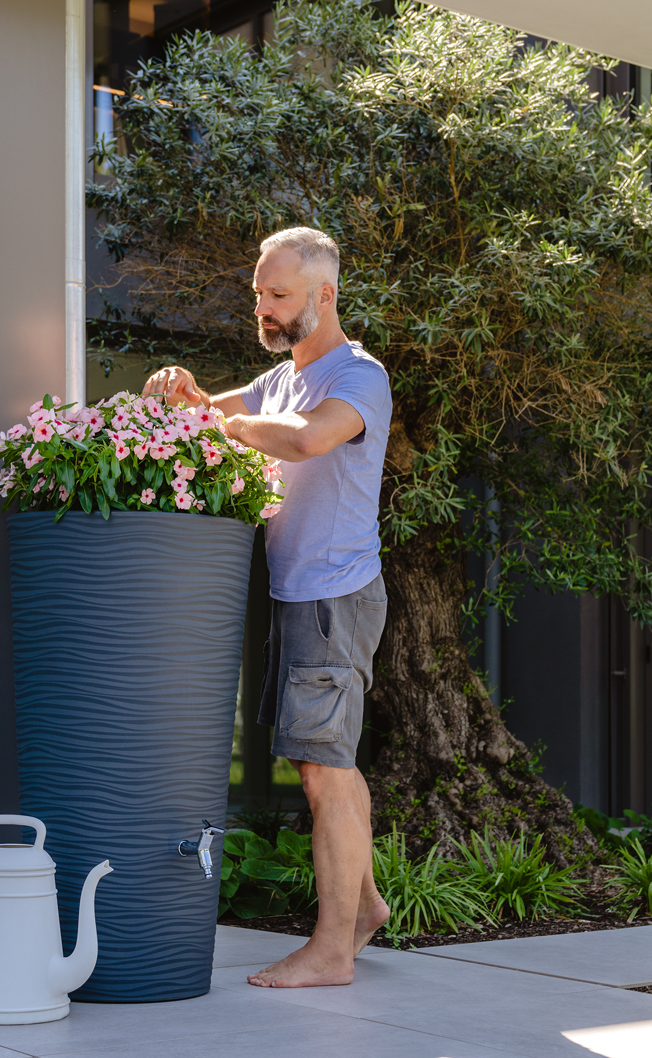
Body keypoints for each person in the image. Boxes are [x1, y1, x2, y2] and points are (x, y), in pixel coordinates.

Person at [144, 226, 392, 987]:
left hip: (335, 596)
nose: (264, 307)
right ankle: (365, 907)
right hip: (299, 595)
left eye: (278, 294)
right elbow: (199, 415)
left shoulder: (358, 376)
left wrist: (225, 421)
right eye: (259, 293)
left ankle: (331, 950)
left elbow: (310, 439)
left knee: (322, 771)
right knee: (328, 763)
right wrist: (178, 390)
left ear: (325, 295)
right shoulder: (278, 381)